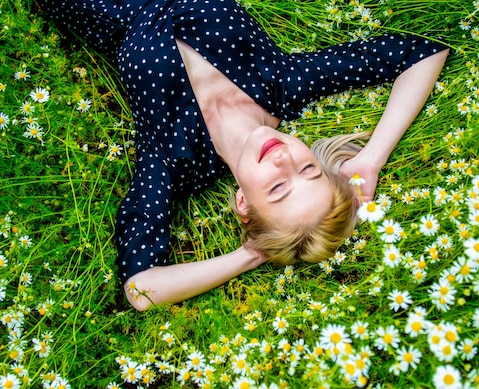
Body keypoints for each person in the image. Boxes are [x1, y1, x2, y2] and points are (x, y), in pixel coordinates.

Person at [39, 0, 449, 311]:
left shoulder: (170, 160)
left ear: (243, 204)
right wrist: (370, 160)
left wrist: (252, 253)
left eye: (277, 188)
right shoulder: (286, 83)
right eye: (308, 168)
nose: (284, 161)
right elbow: (424, 52)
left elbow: (141, 289)